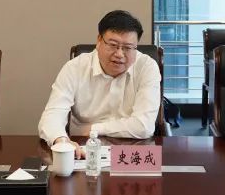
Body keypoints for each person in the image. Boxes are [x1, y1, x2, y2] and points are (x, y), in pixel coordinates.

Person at [38, 10, 161, 156]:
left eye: (128, 48)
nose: (119, 54)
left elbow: (144, 126)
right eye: (113, 45)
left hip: (133, 151)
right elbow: (52, 115)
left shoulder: (147, 67)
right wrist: (61, 141)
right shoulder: (75, 68)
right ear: (99, 41)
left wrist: (93, 129)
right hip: (83, 149)